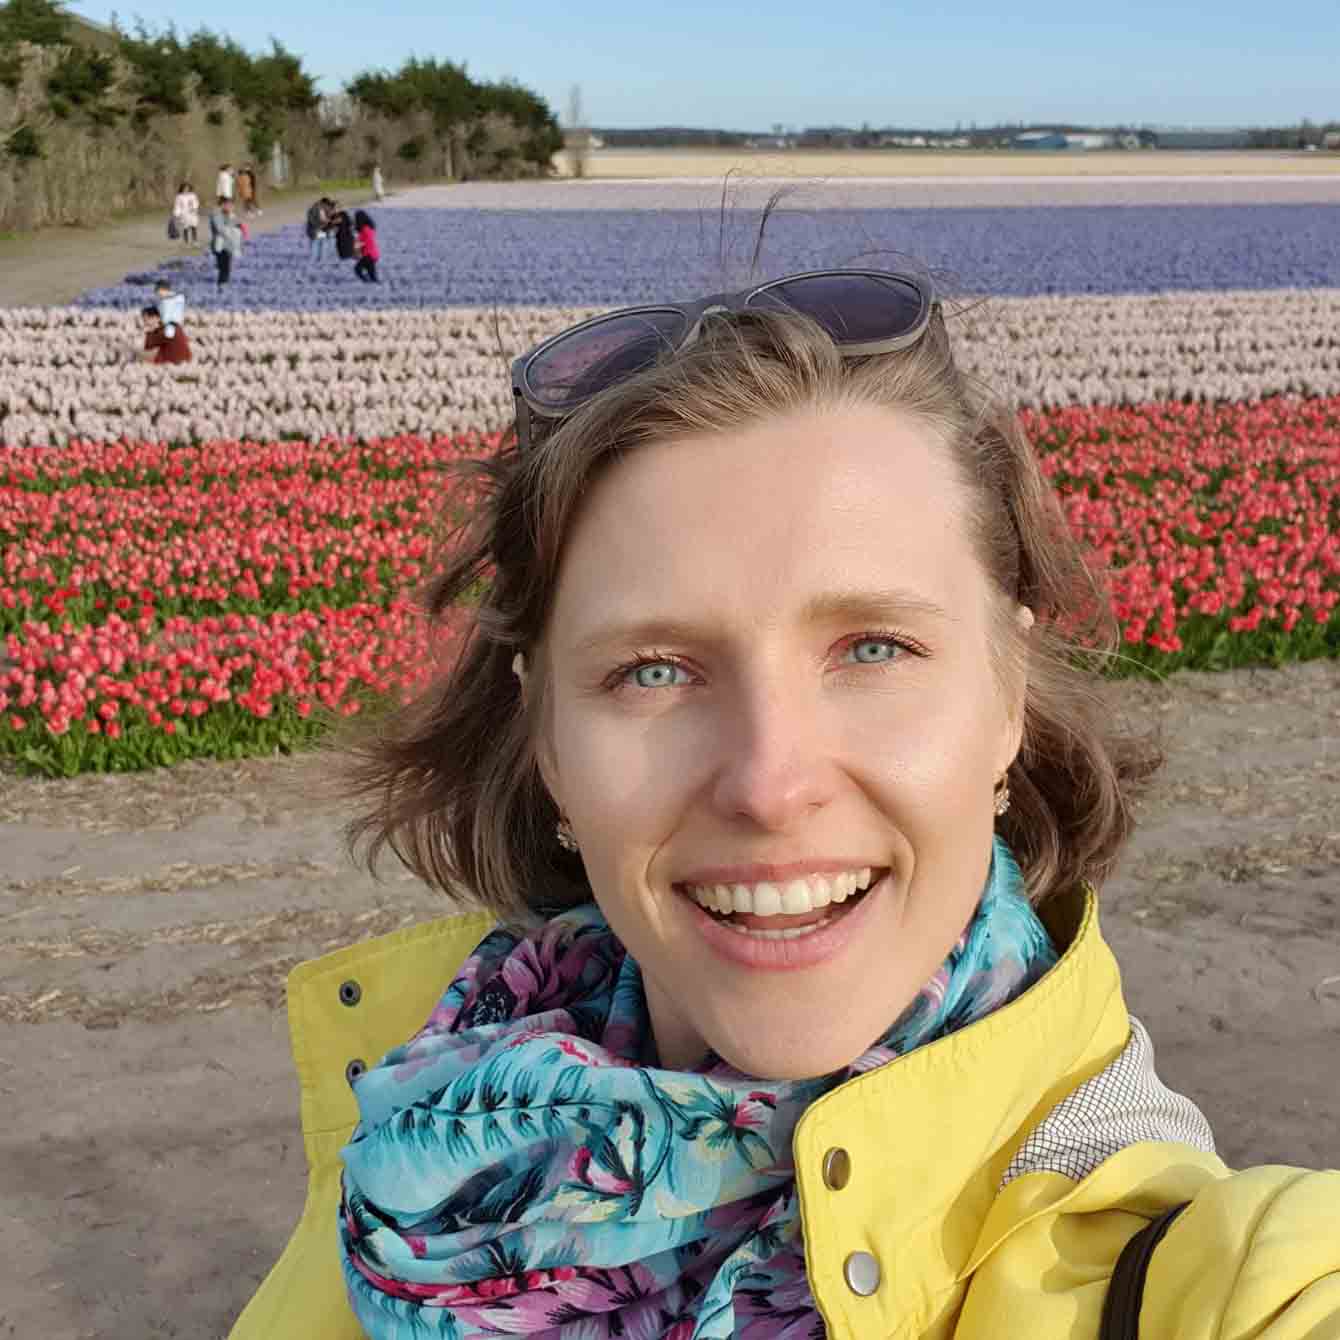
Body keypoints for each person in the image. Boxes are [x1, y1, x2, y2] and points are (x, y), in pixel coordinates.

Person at [227, 270, 1340, 1340]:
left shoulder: (1197, 1277)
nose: (769, 782)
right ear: (548, 742)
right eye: (652, 669)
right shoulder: (416, 1140)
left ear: (1007, 695)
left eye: (871, 646)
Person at [208, 196, 242, 287]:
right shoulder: (216, 215)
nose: (231, 207)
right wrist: (231, 225)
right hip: (219, 245)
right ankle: (222, 285)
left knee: (226, 266)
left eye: (232, 205)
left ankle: (224, 284)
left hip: (229, 244)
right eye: (228, 204)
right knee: (224, 266)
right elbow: (220, 229)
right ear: (222, 205)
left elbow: (237, 226)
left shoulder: (231, 215)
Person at [352, 209, 379, 283]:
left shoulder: (366, 229)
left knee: (358, 269)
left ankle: (368, 282)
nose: (355, 221)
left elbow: (367, 241)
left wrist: (358, 245)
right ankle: (369, 282)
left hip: (369, 255)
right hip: (369, 255)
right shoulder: (366, 228)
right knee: (367, 272)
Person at [171, 180, 199, 246]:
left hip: (192, 214)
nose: (186, 189)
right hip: (184, 214)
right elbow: (177, 206)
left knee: (194, 227)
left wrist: (194, 208)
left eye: (187, 188)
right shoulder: (179, 197)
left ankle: (195, 241)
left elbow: (196, 202)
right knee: (185, 228)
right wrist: (176, 214)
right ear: (182, 188)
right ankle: (186, 242)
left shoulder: (192, 195)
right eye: (185, 188)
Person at [305, 196, 333, 261]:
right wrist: (319, 225)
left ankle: (322, 259)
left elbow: (327, 219)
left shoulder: (324, 209)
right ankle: (314, 259)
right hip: (315, 230)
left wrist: (327, 222)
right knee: (315, 244)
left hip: (321, 231)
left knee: (323, 243)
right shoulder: (314, 208)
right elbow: (311, 220)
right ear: (323, 203)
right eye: (326, 205)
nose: (327, 206)